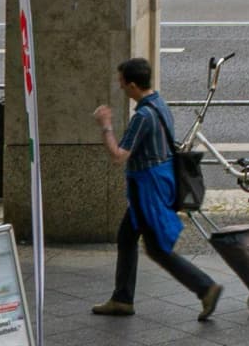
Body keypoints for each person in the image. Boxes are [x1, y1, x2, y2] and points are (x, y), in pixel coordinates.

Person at [93, 58, 218, 321]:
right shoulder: (160, 104)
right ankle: (122, 298)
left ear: (133, 85)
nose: (121, 87)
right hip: (160, 181)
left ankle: (205, 288)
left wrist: (105, 125)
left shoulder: (142, 116)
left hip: (146, 189)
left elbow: (119, 155)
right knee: (126, 237)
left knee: (157, 248)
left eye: (122, 83)